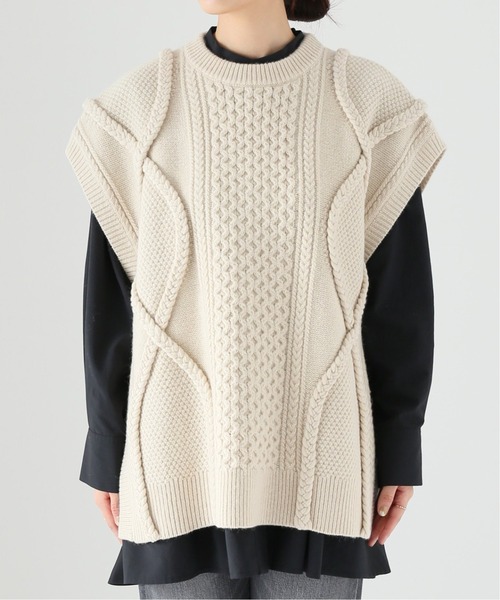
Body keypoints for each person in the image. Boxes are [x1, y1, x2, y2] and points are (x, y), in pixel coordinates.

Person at [66, 1, 447, 598]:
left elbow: (400, 304)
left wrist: (400, 443)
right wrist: (108, 443)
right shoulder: (137, 111)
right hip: (177, 466)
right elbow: (110, 306)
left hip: (322, 476)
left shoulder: (366, 106)